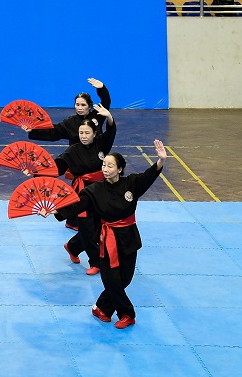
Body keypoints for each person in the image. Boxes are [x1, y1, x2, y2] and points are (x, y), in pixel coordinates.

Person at [53, 140, 167, 329]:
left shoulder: (132, 184)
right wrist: (55, 211)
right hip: (108, 240)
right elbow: (77, 205)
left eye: (110, 166)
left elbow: (149, 176)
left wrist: (161, 160)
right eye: (104, 165)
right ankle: (127, 314)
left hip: (129, 238)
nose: (105, 169)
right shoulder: (94, 190)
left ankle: (102, 308)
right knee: (111, 279)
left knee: (125, 279)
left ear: (120, 169)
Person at [46, 105, 116, 271]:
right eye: (81, 133)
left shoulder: (101, 145)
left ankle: (73, 247)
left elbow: (111, 132)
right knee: (86, 228)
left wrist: (109, 117)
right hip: (82, 195)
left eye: (87, 133)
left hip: (101, 191)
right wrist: (35, 172)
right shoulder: (72, 151)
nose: (83, 136)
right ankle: (95, 262)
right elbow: (56, 168)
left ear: (94, 134)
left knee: (99, 225)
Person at [25, 78, 111, 145]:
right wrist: (33, 129)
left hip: (96, 155)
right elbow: (53, 132)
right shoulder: (69, 122)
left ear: (89, 106)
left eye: (83, 105)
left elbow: (106, 102)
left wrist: (102, 89)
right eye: (77, 105)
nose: (79, 108)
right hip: (76, 157)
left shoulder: (97, 116)